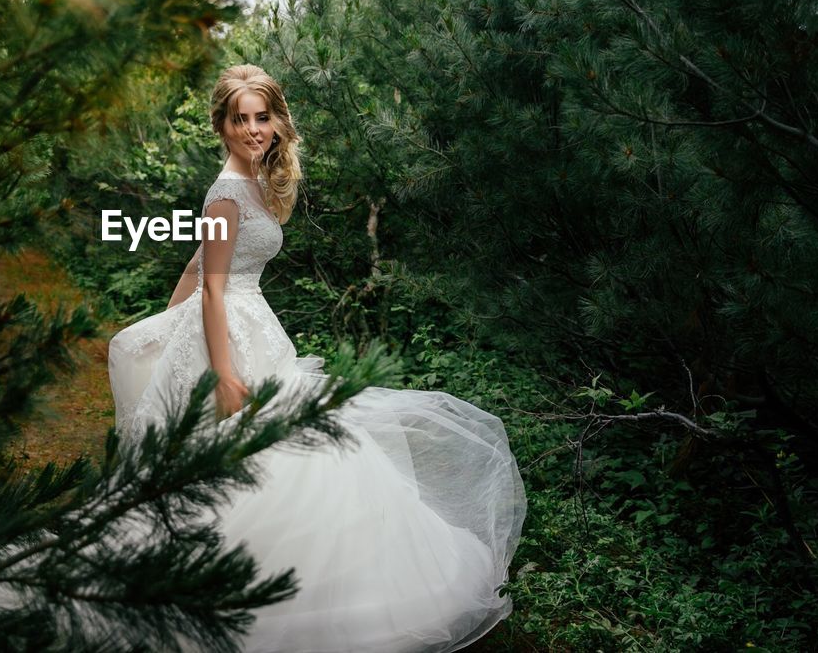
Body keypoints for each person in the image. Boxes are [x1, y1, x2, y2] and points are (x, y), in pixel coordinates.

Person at [108, 64, 526, 653]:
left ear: (278, 121)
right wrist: (222, 373)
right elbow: (213, 287)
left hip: (255, 328)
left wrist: (163, 318)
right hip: (229, 335)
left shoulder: (253, 180)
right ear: (222, 126)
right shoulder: (225, 192)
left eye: (263, 117)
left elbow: (194, 265)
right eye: (240, 119)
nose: (254, 130)